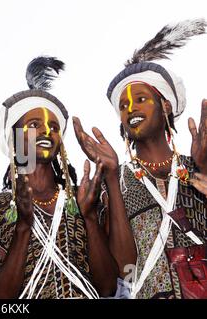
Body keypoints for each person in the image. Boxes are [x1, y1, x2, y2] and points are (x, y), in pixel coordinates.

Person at [73, 18, 207, 299]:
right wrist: (109, 177)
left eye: (141, 98)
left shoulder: (196, 165)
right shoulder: (117, 181)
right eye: (123, 105)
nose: (131, 107)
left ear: (166, 106)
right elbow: (126, 272)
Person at [0, 56, 118, 299]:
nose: (46, 131)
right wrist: (23, 226)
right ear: (15, 139)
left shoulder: (82, 197)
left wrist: (89, 217)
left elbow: (108, 287)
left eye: (54, 127)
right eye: (34, 124)